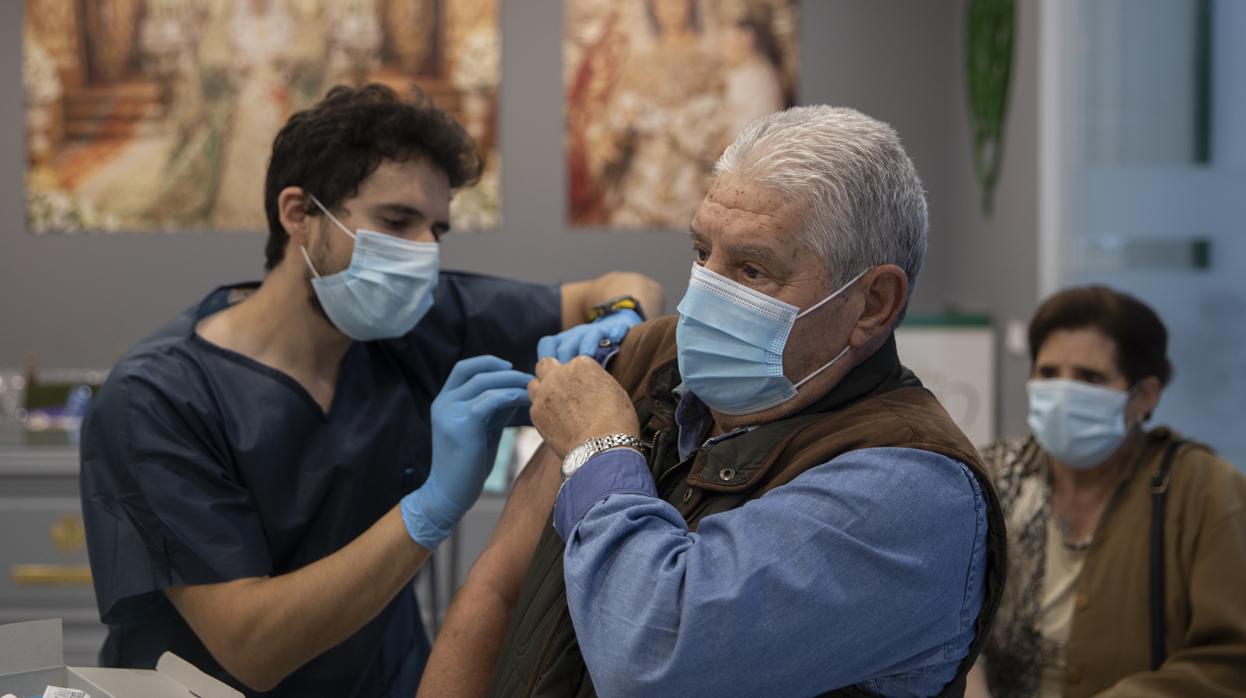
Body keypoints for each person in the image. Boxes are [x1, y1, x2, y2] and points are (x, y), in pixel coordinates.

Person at [78, 83, 662, 697]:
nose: (425, 254)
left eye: (437, 228)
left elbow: (629, 283)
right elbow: (251, 647)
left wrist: (617, 317)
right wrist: (431, 508)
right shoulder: (157, 399)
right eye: (396, 221)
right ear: (299, 215)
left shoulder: (416, 325)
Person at [417, 105, 1007, 697]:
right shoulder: (650, 358)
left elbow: (654, 655)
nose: (704, 295)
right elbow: (497, 588)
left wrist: (601, 452)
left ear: (873, 303)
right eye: (703, 252)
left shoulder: (913, 493)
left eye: (752, 269)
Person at [965, 286, 1246, 698]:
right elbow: (942, 622)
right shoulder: (990, 479)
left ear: (1144, 395)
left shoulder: (1203, 490)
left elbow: (1231, 659)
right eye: (1048, 374)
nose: (1062, 394)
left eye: (1089, 378)